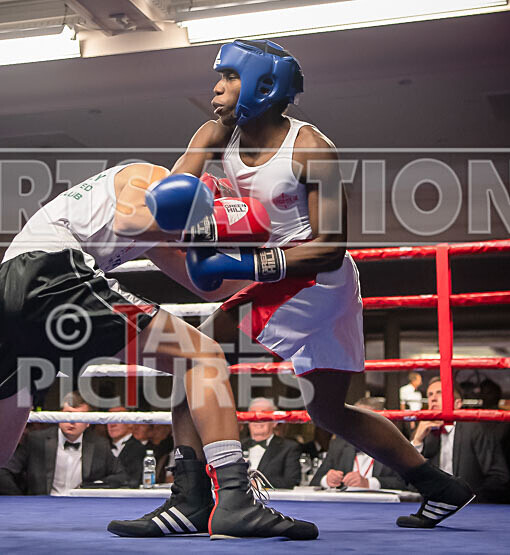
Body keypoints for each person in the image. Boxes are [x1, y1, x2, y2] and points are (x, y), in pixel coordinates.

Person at [0, 162, 316, 540]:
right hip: (52, 275)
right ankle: (232, 499)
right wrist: (202, 221)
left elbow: (204, 283)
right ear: (205, 193)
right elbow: (137, 220)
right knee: (203, 357)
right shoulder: (147, 177)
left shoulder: (167, 226)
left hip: (8, 293)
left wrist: (269, 265)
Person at [115, 38, 474, 533]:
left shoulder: (310, 149)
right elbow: (174, 199)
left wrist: (236, 264)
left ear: (265, 86)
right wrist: (202, 206)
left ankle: (192, 500)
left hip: (315, 279)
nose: (216, 89)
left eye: (229, 79)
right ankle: (440, 486)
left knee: (194, 358)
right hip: (299, 279)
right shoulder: (216, 132)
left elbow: (330, 245)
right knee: (328, 410)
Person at [0, 392, 119, 495]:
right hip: (41, 509)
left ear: (88, 422)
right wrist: (19, 503)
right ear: (58, 416)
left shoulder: (100, 445)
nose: (72, 421)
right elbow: (1, 472)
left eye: (79, 416)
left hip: (83, 508)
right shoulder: (36, 440)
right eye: (68, 415)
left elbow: (122, 476)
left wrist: (95, 486)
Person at [412, 378, 510, 503]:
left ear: (457, 404)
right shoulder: (423, 431)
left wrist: (472, 500)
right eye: (430, 394)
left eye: (440, 393)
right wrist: (417, 442)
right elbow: (408, 477)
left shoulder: (475, 429)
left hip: (471, 508)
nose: (433, 398)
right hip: (432, 506)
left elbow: (499, 477)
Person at [312, 398, 408, 491]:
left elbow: (405, 484)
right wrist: (326, 480)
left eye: (365, 420)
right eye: (355, 420)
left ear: (381, 423)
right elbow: (314, 481)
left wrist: (369, 483)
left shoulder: (395, 447)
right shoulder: (339, 445)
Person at [242, 398, 302, 489]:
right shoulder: (237, 447)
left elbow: (292, 481)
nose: (258, 420)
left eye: (264, 415)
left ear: (275, 422)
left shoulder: (289, 448)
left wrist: (258, 483)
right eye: (253, 415)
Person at [106, 406, 147, 488]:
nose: (112, 424)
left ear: (130, 423)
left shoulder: (138, 449)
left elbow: (133, 480)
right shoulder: (101, 447)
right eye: (109, 419)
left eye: (118, 419)